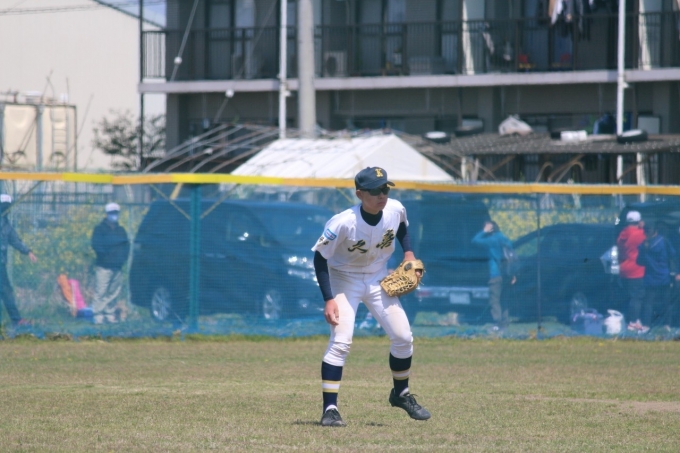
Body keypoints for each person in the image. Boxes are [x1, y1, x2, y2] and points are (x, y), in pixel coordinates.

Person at [312, 166, 430, 427]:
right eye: (375, 190)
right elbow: (319, 258)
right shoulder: (343, 222)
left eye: (385, 188)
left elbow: (402, 227)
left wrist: (408, 253)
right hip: (344, 279)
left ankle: (401, 394)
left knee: (403, 337)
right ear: (359, 194)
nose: (382, 195)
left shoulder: (395, 209)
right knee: (341, 341)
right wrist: (328, 298)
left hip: (377, 278)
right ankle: (330, 409)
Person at [0, 194, 38, 326]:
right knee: (6, 291)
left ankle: (16, 320)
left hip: (1, 265)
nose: (6, 210)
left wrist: (28, 251)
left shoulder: (6, 225)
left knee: (6, 291)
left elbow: (15, 240)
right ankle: (16, 319)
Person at [472, 220, 516, 329]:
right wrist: (513, 274)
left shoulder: (491, 240)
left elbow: (475, 241)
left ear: (490, 229)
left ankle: (497, 323)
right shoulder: (504, 239)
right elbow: (512, 257)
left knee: (494, 300)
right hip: (507, 274)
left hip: (495, 275)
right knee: (504, 299)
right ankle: (505, 322)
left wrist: (484, 231)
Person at [636, 221, 679, 332]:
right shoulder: (664, 242)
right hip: (665, 277)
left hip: (650, 277)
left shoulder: (643, 245)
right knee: (667, 302)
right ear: (656, 230)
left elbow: (639, 261)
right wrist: (675, 272)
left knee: (648, 303)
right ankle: (667, 325)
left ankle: (646, 325)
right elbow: (673, 256)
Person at [90, 202, 130, 324]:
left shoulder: (121, 230)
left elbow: (126, 246)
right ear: (106, 214)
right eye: (112, 213)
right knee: (101, 291)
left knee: (113, 292)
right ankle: (98, 315)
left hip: (117, 266)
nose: (114, 215)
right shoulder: (99, 229)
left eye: (116, 213)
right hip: (104, 266)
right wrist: (106, 257)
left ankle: (109, 313)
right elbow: (96, 245)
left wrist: (122, 259)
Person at [616, 210, 646, 332]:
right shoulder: (639, 234)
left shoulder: (622, 234)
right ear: (639, 221)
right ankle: (633, 322)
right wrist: (642, 227)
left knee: (629, 296)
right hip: (636, 270)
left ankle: (632, 319)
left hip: (624, 269)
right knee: (637, 297)